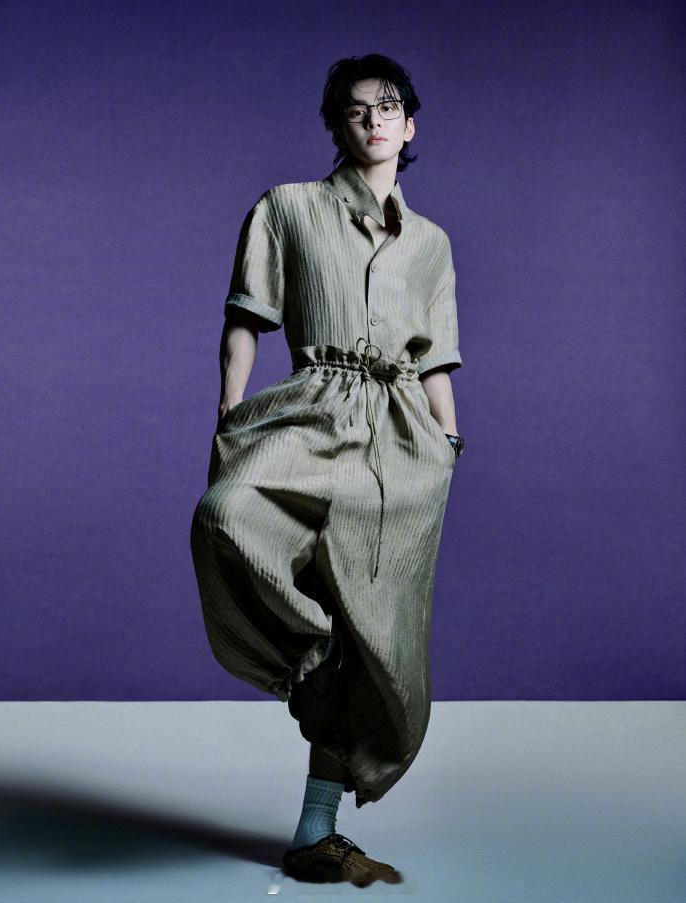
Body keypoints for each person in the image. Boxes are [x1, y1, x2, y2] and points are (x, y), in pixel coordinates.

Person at [190, 53, 465, 887]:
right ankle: (307, 656)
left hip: (403, 443)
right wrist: (229, 413)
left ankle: (317, 833)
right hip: (313, 411)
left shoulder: (431, 243)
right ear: (336, 125)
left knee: (379, 641)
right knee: (227, 516)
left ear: (410, 124)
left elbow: (436, 359)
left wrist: (450, 444)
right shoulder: (288, 208)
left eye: (389, 106)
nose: (374, 120)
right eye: (356, 109)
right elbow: (246, 318)